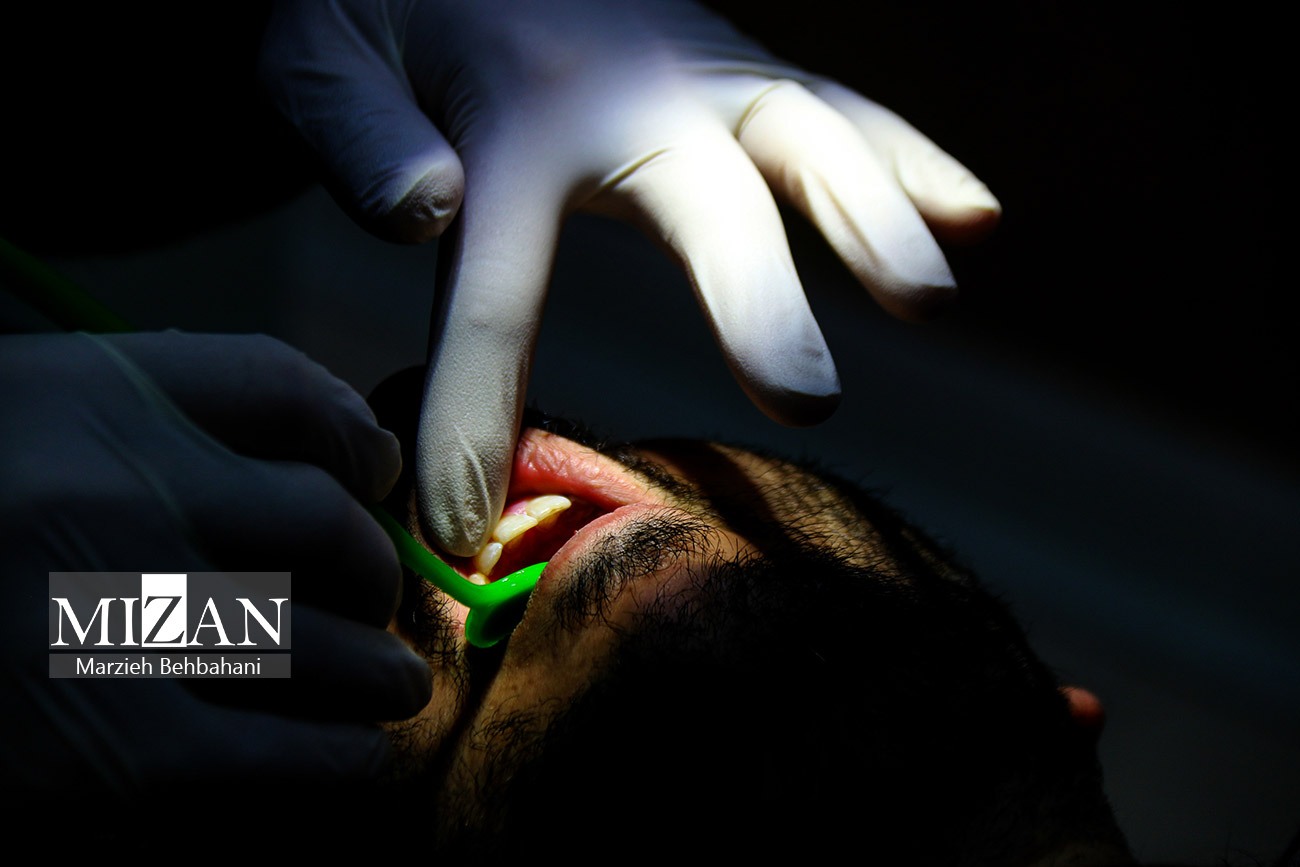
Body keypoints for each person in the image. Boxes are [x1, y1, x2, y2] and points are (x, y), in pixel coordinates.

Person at [344, 365, 1134, 863]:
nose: (433, 449)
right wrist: (255, 624)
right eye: (368, 609)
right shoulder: (253, 634)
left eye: (640, 451)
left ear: (1048, 716)